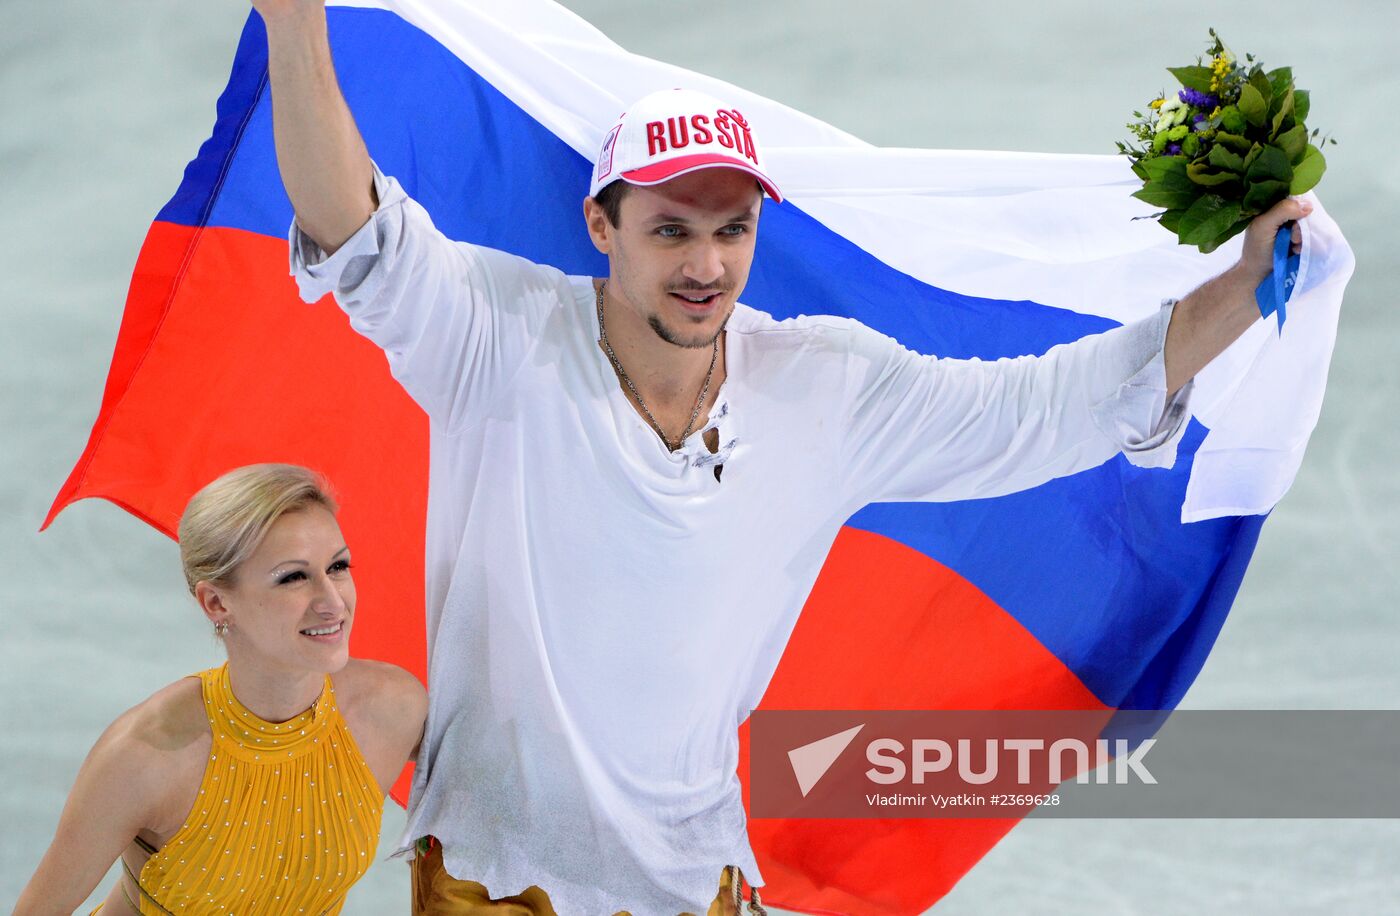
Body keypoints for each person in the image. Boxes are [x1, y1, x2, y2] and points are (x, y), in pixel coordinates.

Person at [256, 1, 1311, 913]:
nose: (708, 266)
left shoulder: (824, 389)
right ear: (599, 225)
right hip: (490, 876)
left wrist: (1240, 280)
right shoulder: (494, 337)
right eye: (670, 231)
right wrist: (296, 23)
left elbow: (1047, 406)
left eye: (733, 229)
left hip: (691, 880)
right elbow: (353, 227)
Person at [16, 464, 427, 915]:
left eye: (338, 566)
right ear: (217, 602)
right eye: (293, 577)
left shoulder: (392, 709)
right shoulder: (146, 756)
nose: (332, 602)